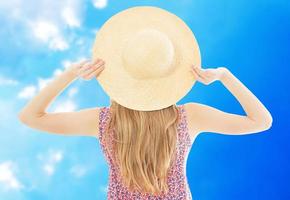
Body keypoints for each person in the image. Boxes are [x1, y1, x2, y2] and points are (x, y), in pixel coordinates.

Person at [18, 58, 272, 199]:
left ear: (118, 81)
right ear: (170, 79)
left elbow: (31, 116)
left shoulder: (104, 121)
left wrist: (71, 73)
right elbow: (261, 121)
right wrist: (224, 75)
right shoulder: (189, 116)